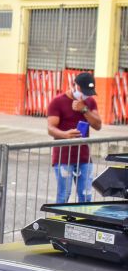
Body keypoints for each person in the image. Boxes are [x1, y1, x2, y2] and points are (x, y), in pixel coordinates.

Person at [47, 72, 102, 203]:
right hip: (63, 157)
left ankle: (84, 222)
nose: (85, 95)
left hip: (83, 157)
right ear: (75, 85)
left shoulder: (90, 102)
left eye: (88, 92)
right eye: (83, 91)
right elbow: (50, 128)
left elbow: (98, 125)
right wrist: (65, 135)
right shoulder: (57, 102)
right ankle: (59, 223)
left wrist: (84, 110)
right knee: (63, 195)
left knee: (86, 195)